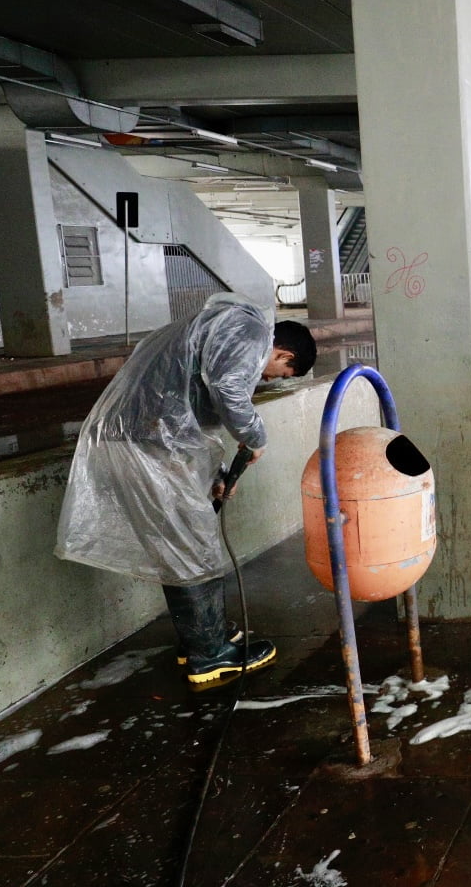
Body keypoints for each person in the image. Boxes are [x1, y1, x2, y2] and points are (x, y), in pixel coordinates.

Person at [56, 293, 317, 692]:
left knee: (183, 544)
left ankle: (203, 635)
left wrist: (215, 473)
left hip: (143, 440)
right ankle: (209, 654)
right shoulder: (249, 333)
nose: (267, 381)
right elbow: (228, 391)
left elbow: (193, 418)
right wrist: (255, 436)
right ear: (284, 354)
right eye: (277, 374)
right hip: (147, 446)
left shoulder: (220, 329)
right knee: (191, 546)